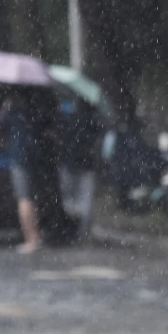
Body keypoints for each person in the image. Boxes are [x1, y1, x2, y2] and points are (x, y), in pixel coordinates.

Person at [0, 96, 42, 253]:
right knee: (29, 198)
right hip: (31, 158)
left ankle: (31, 239)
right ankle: (34, 237)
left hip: (19, 160)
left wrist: (3, 110)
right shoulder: (30, 114)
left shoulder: (12, 115)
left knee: (24, 199)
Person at [56, 98, 104, 240]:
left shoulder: (68, 119)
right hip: (86, 164)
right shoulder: (93, 122)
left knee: (68, 198)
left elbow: (62, 138)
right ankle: (83, 231)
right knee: (85, 199)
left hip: (69, 162)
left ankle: (69, 228)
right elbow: (96, 142)